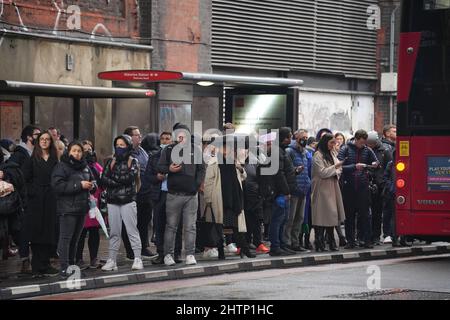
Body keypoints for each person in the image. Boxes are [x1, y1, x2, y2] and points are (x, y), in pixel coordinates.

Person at [158, 123, 206, 266]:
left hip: (191, 195)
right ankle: (168, 255)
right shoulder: (168, 150)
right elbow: (160, 167)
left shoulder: (195, 150)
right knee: (171, 226)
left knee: (190, 226)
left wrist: (196, 185)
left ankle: (190, 254)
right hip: (173, 194)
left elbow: (201, 169)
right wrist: (169, 169)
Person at [203, 136, 255, 260]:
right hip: (220, 198)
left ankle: (244, 249)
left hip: (235, 197)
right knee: (219, 226)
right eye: (224, 147)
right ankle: (221, 251)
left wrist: (241, 169)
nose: (227, 149)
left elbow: (243, 177)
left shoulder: (234, 161)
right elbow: (208, 182)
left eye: (229, 147)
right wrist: (208, 199)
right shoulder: (214, 162)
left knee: (238, 226)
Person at [51, 141, 96, 278]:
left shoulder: (85, 166)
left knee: (75, 240)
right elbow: (57, 186)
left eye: (79, 151)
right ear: (69, 152)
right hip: (67, 209)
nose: (77, 153)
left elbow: (93, 181)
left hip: (81, 208)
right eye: (74, 150)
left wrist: (92, 186)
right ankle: (64, 268)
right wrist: (79, 185)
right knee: (65, 239)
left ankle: (72, 267)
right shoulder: (62, 166)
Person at [100, 135, 143, 271]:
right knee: (114, 232)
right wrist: (118, 181)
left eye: (122, 145)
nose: (119, 147)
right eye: (117, 145)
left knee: (132, 231)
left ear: (128, 146)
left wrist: (113, 179)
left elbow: (129, 178)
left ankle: (137, 258)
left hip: (128, 201)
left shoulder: (133, 161)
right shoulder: (110, 162)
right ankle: (112, 260)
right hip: (112, 201)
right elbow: (103, 179)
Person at [22, 132, 59, 277]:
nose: (44, 141)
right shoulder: (31, 159)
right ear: (38, 142)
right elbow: (25, 179)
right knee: (37, 232)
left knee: (49, 231)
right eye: (41, 139)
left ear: (51, 142)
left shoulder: (55, 158)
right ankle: (37, 266)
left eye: (47, 139)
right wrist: (33, 191)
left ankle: (46, 264)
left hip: (51, 199)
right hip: (36, 200)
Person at [338, 130, 379, 249]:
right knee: (349, 216)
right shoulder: (345, 149)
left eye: (364, 142)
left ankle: (366, 240)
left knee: (365, 215)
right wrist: (354, 167)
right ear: (355, 139)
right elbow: (339, 167)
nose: (362, 145)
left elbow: (376, 163)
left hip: (363, 187)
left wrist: (375, 164)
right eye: (360, 142)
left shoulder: (368, 150)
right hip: (348, 187)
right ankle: (350, 241)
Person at [122, 126, 155, 260]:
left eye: (140, 134)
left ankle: (143, 247)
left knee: (144, 222)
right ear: (129, 137)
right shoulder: (126, 153)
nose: (139, 137)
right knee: (130, 223)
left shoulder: (142, 151)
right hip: (132, 194)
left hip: (146, 193)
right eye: (136, 135)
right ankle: (130, 251)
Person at [311, 134, 345, 252]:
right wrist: (335, 167)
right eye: (331, 143)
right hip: (321, 188)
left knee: (332, 215)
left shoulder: (332, 153)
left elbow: (339, 169)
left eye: (334, 143)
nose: (333, 145)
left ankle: (331, 242)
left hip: (332, 186)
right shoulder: (318, 155)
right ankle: (319, 242)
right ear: (325, 142)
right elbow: (322, 172)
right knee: (321, 216)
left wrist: (336, 168)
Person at [268, 128, 297, 257]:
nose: (290, 140)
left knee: (284, 219)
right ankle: (275, 246)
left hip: (284, 192)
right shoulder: (277, 152)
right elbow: (278, 173)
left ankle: (282, 245)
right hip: (280, 193)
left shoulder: (281, 151)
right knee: (277, 220)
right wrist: (285, 191)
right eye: (288, 137)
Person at [75, 141, 103, 269]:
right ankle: (78, 258)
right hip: (81, 202)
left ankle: (94, 258)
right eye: (84, 150)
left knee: (94, 231)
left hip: (94, 203)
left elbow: (101, 181)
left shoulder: (96, 166)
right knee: (80, 232)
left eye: (90, 149)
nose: (88, 152)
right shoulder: (76, 166)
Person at [285, 129, 311, 252]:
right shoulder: (289, 151)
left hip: (303, 189)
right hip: (294, 189)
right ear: (296, 138)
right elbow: (288, 171)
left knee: (299, 218)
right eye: (303, 137)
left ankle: (295, 242)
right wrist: (296, 170)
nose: (305, 139)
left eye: (306, 137)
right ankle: (287, 242)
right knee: (290, 218)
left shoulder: (306, 152)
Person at [366, 131, 391, 246]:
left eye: (371, 144)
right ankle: (369, 235)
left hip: (381, 186)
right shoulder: (366, 150)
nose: (369, 146)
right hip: (369, 184)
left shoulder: (385, 150)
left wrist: (384, 182)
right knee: (369, 212)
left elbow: (389, 168)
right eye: (368, 144)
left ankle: (376, 236)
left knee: (378, 212)